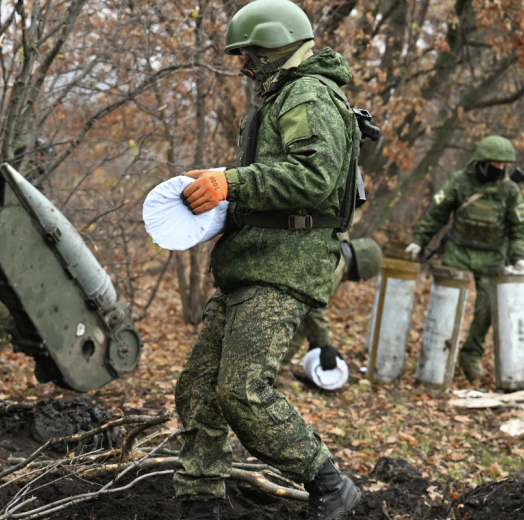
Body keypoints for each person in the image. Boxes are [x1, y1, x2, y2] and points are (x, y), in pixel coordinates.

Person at [172, 1, 362, 518]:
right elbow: (268, 180)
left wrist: (230, 181)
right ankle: (200, 503)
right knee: (199, 390)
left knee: (241, 390)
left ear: (277, 43)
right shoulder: (279, 98)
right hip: (251, 261)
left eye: (250, 51)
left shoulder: (309, 94)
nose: (244, 63)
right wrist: (216, 189)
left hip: (285, 265)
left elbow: (314, 177)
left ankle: (330, 484)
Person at [405, 135, 524, 382]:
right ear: (482, 163)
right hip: (459, 252)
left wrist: (520, 258)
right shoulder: (460, 182)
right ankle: (438, 358)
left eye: (504, 165)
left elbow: (521, 227)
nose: (501, 169)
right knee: (446, 306)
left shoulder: (509, 190)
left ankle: (470, 354)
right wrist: (419, 240)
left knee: (488, 308)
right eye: (496, 164)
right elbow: (436, 213)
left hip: (493, 257)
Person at [281, 234, 383, 381]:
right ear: (360, 268)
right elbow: (315, 306)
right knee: (302, 323)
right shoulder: (336, 269)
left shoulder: (336, 248)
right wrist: (325, 346)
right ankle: (274, 369)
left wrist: (315, 340)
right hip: (285, 292)